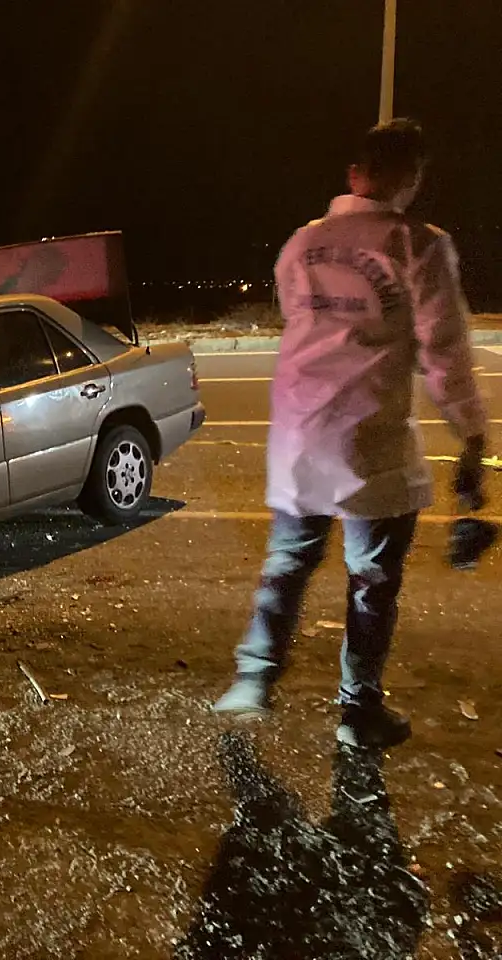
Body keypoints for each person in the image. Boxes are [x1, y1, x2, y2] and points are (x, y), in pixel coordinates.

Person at [212, 119, 488, 750]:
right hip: (371, 441)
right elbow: (443, 350)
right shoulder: (419, 243)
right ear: (411, 178)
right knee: (371, 583)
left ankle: (252, 681)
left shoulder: (303, 243)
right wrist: (472, 436)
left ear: (353, 175)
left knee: (287, 563)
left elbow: (296, 318)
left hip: (301, 437)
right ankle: (357, 711)